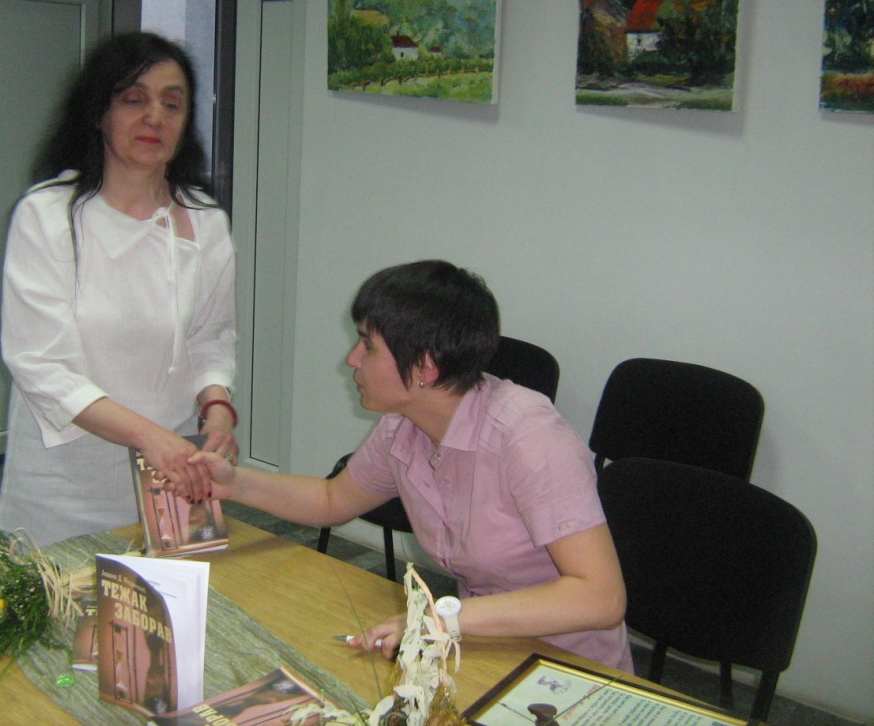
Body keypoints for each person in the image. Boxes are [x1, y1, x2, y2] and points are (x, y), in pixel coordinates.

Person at [183, 260, 633, 673]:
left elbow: (600, 597)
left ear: (425, 367)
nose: (352, 359)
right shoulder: (403, 425)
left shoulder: (528, 436)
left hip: (572, 668)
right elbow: (332, 500)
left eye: (368, 345)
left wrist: (439, 618)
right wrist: (234, 484)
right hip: (482, 643)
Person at [0, 32, 237, 547]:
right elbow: (41, 365)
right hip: (68, 479)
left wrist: (217, 411)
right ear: (98, 113)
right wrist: (149, 436)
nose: (155, 117)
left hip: (174, 471)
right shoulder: (47, 215)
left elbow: (210, 338)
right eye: (133, 99)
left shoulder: (205, 221)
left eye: (172, 104)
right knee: (69, 598)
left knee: (177, 595)